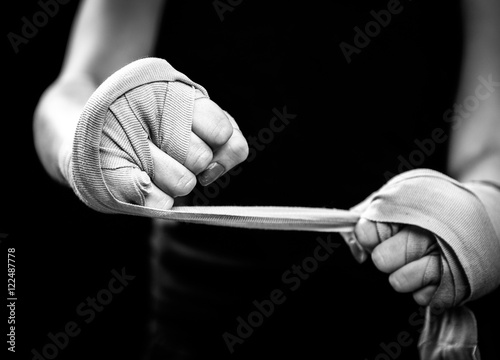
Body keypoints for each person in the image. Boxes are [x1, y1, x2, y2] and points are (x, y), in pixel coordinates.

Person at [33, 0, 500, 359]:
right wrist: (84, 141)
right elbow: (76, 85)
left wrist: (482, 212)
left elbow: (489, 147)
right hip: (196, 317)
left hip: (403, 304)